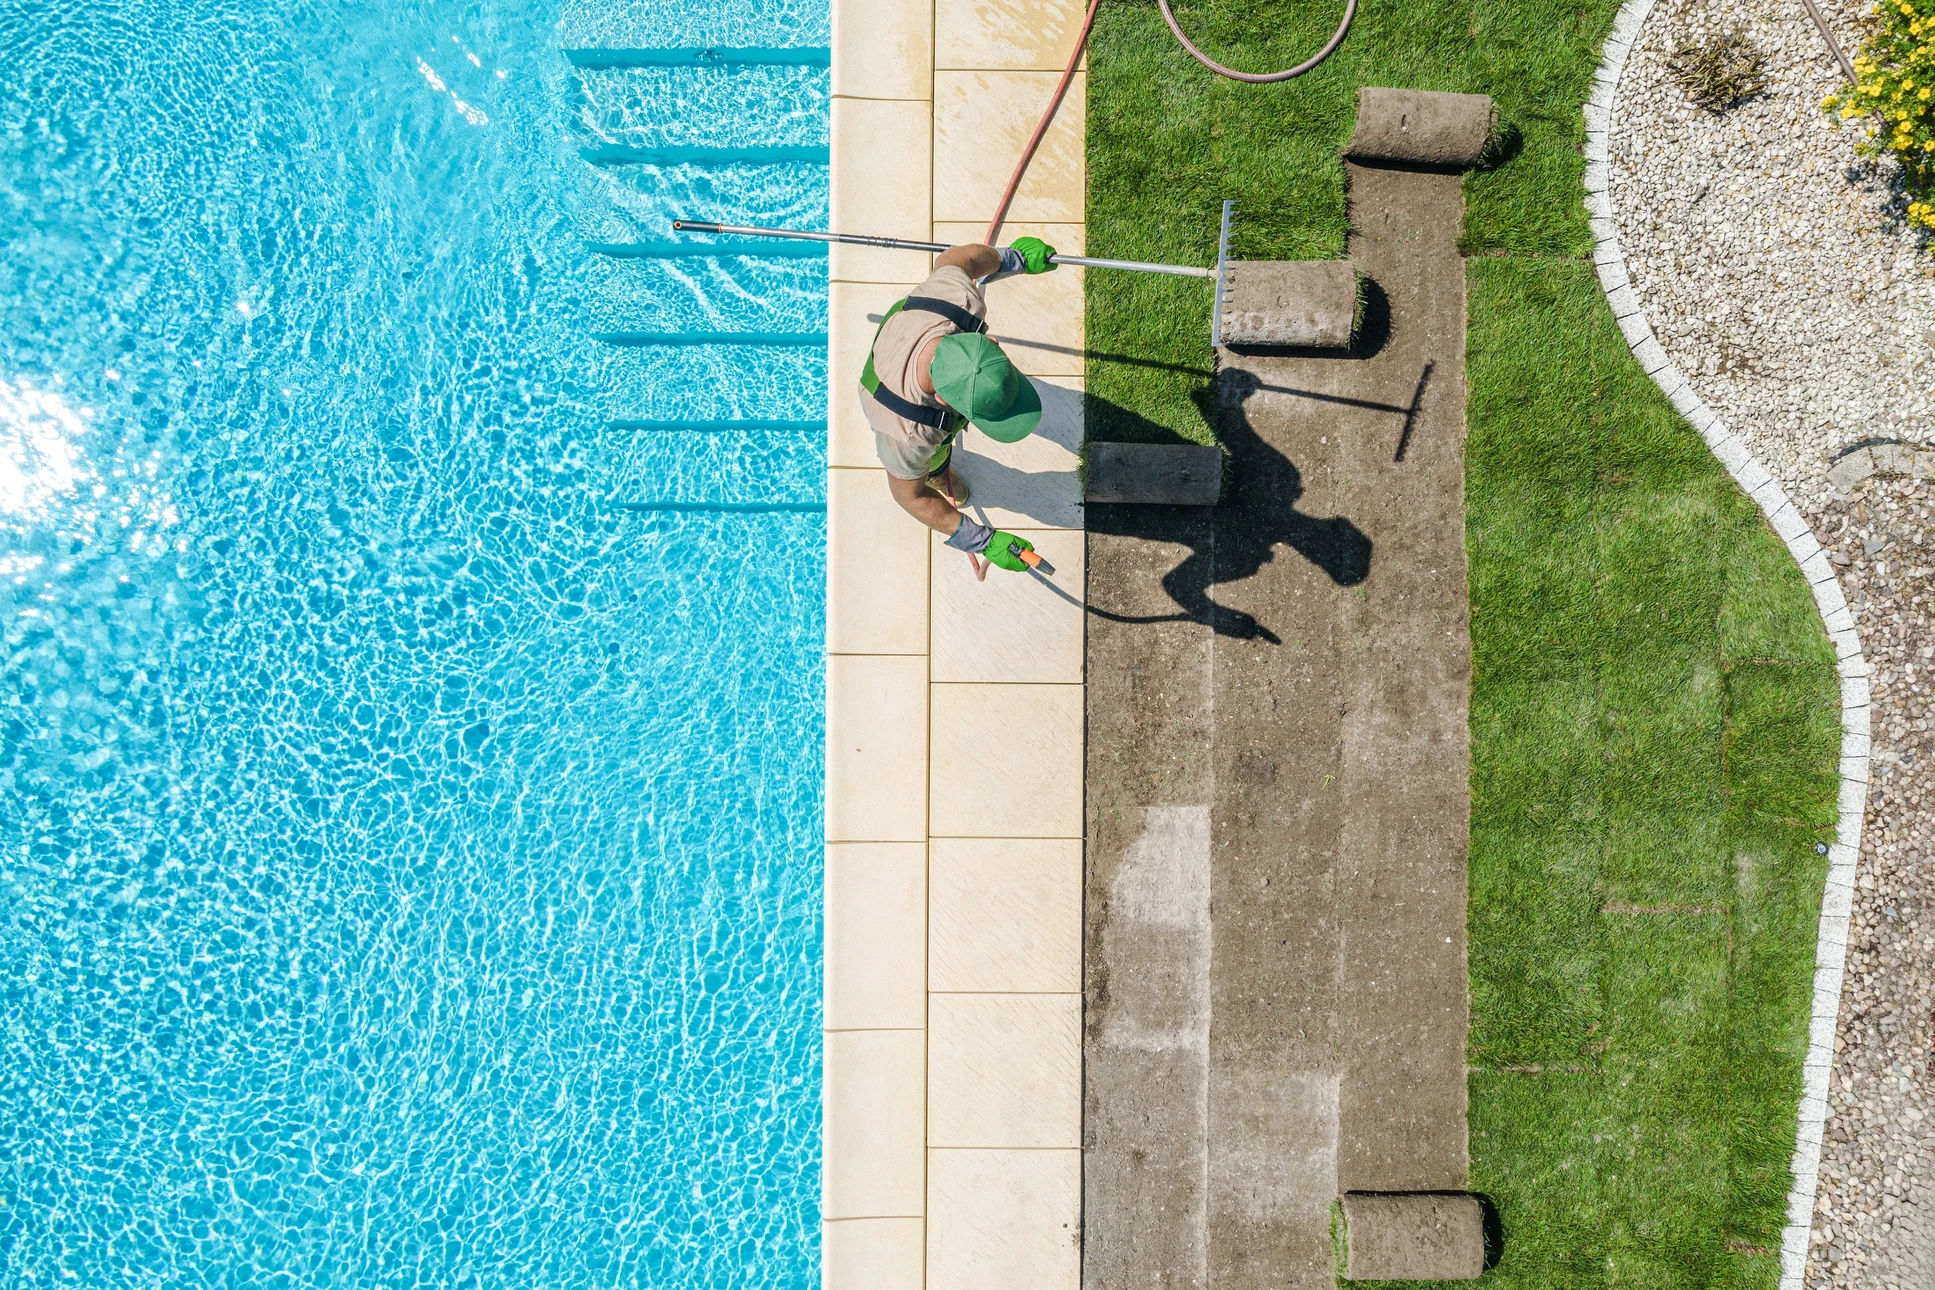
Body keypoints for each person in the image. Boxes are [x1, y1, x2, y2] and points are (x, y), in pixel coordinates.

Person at [857, 237, 1057, 574]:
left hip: (911, 331)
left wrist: (1013, 258)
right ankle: (938, 470)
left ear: (988, 343)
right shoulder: (907, 435)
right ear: (946, 403)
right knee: (933, 458)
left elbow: (958, 257)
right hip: (883, 386)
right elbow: (910, 497)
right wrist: (982, 540)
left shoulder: (957, 301)